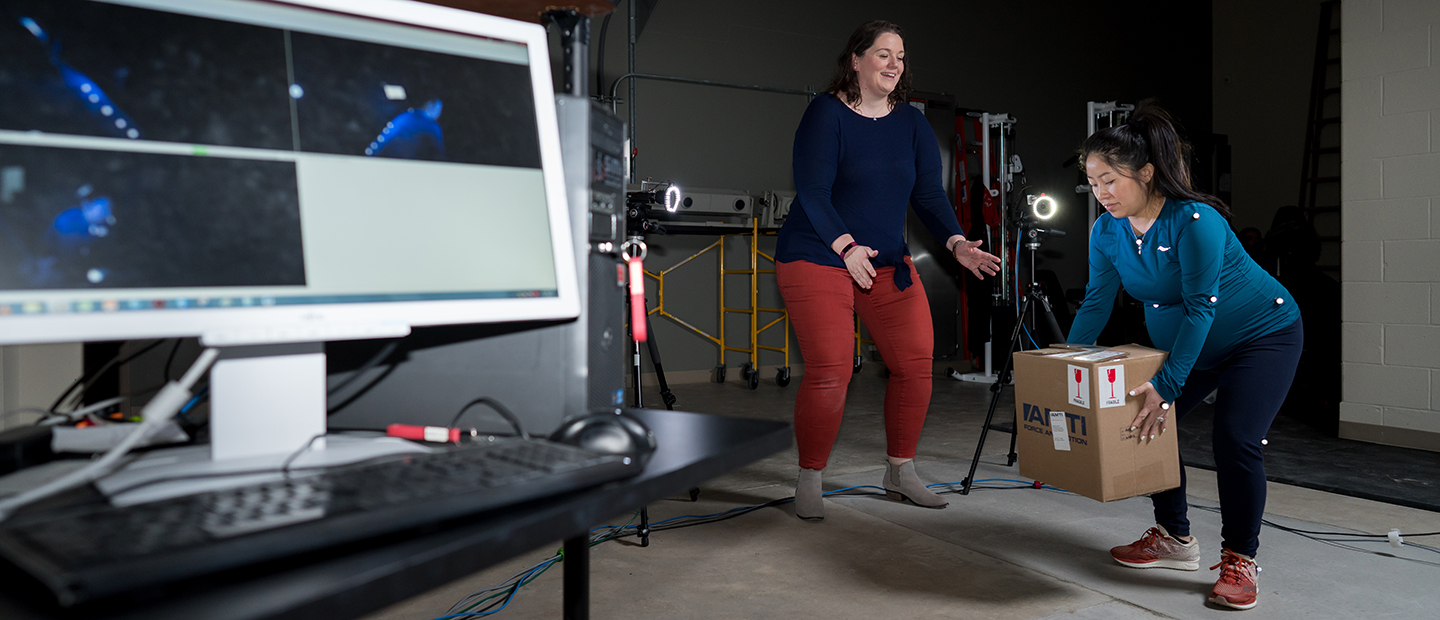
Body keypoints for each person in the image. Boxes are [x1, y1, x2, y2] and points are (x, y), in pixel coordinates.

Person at [1068, 101, 1302, 611]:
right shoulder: (1106, 232)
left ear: (1146, 173)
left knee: (1235, 438)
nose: (1101, 194)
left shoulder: (1196, 221)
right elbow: (1097, 300)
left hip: (1260, 337)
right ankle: (1174, 538)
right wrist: (1068, 366)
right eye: (1093, 183)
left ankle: (1241, 558)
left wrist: (1168, 385)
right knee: (1146, 420)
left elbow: (1201, 307)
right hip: (1192, 346)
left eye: (1110, 180)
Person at [774, 20, 1000, 522]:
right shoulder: (825, 114)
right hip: (818, 254)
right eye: (882, 53)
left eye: (900, 55)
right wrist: (845, 245)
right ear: (855, 60)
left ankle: (899, 472)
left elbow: (927, 194)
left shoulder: (912, 124)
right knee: (832, 369)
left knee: (916, 365)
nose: (894, 63)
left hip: (884, 263)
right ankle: (810, 475)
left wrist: (957, 240)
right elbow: (812, 191)